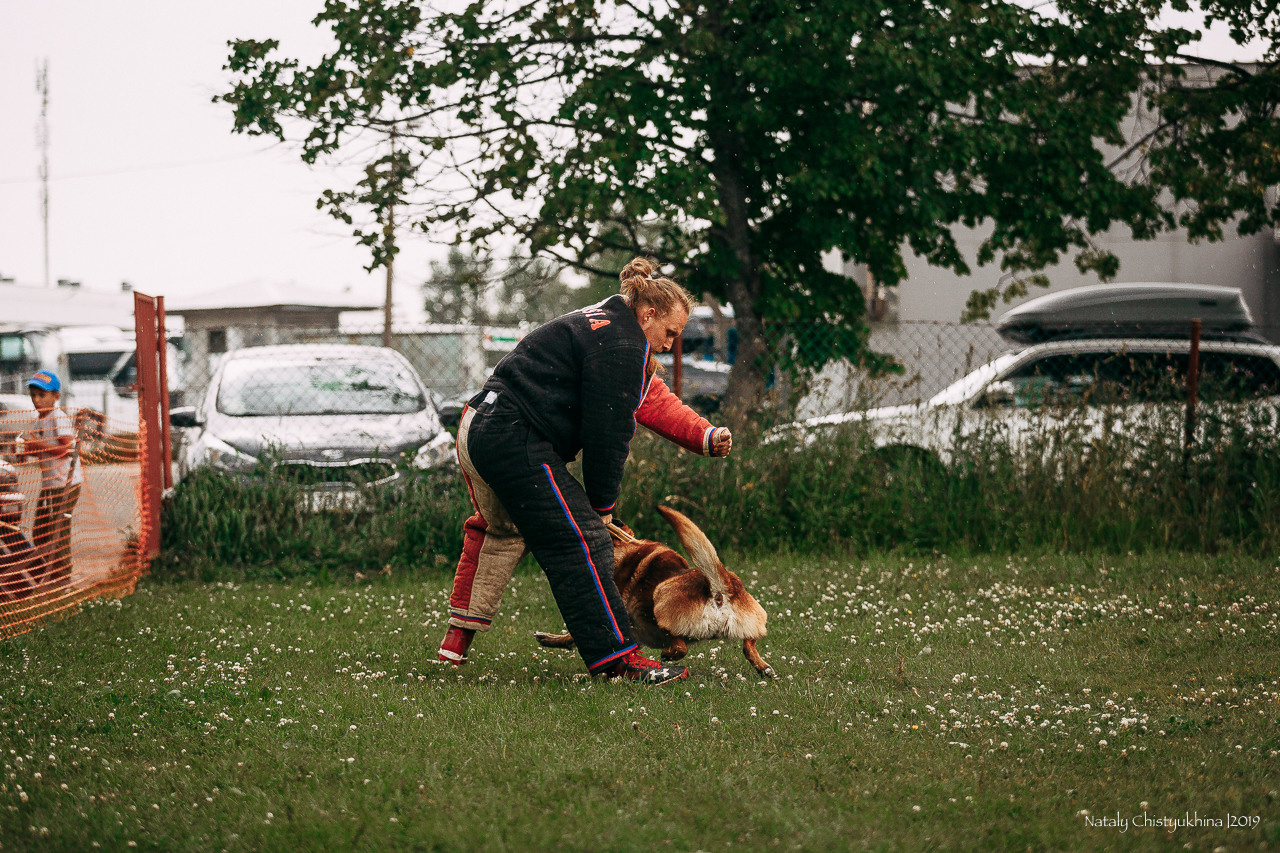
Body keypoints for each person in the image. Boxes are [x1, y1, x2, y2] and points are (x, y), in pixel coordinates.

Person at [437, 257, 733, 684]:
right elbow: (608, 434)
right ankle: (618, 662)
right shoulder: (624, 345)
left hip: (479, 424)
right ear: (648, 314)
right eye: (670, 333)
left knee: (499, 532)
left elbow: (650, 398)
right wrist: (602, 507)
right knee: (583, 539)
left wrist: (705, 435)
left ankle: (452, 650)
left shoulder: (609, 323)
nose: (671, 344)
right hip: (511, 433)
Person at [19, 370, 83, 589]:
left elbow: (65, 449)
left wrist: (37, 445)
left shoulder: (58, 417)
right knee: (40, 531)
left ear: (56, 396)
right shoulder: (39, 422)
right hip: (49, 486)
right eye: (33, 395)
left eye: (42, 395)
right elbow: (40, 452)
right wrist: (25, 449)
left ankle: (63, 579)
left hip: (66, 485)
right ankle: (50, 572)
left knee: (58, 530)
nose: (36, 400)